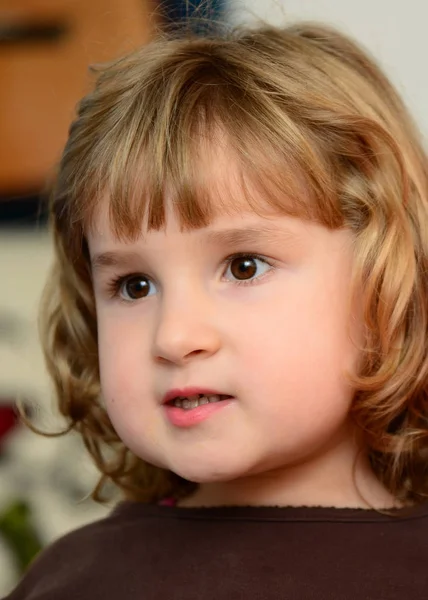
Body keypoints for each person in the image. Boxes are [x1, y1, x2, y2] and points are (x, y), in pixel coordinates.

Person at [4, 17, 428, 600]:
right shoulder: (69, 581)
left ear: (384, 279)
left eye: (244, 266)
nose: (175, 337)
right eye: (134, 286)